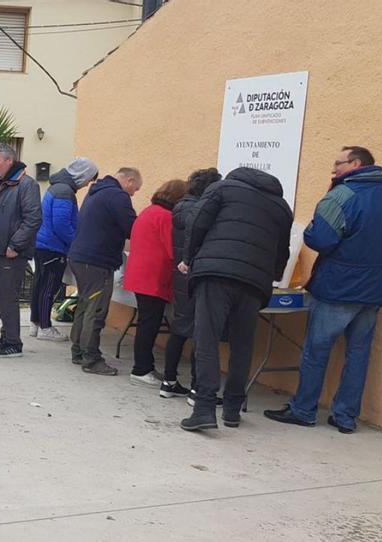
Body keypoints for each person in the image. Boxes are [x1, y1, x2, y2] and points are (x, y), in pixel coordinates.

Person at [264, 147, 382, 434]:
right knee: (358, 353)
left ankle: (304, 410)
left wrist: (309, 230)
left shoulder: (343, 195)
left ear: (356, 164)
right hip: (374, 290)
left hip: (338, 286)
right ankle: (346, 417)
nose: (333, 170)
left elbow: (321, 239)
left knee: (317, 350)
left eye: (338, 164)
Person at [178, 167, 292, 432]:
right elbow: (282, 250)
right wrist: (270, 275)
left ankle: (204, 408)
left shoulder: (222, 188)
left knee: (207, 339)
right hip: (254, 282)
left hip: (216, 273)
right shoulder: (281, 206)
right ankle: (232, 409)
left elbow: (197, 222)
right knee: (243, 345)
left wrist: (188, 257)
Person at [67, 168, 142, 375]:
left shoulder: (97, 192)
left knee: (85, 305)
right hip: (97, 261)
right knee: (96, 310)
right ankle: (91, 359)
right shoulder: (118, 196)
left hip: (81, 258)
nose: (133, 194)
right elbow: (132, 227)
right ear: (129, 180)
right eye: (135, 189)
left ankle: (79, 351)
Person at [165, 168, 222, 405]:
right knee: (202, 332)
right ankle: (197, 389)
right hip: (196, 274)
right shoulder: (200, 211)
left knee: (179, 328)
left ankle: (168, 381)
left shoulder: (181, 207)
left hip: (181, 276)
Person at [124, 179, 188, 387]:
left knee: (146, 322)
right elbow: (173, 250)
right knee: (149, 325)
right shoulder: (167, 217)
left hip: (139, 275)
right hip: (153, 278)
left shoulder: (149, 211)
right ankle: (141, 368)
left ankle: (145, 366)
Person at [0, 143, 41, 358]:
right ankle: (6, 335)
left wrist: (15, 245)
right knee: (2, 295)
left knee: (8, 297)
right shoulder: (4, 184)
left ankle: (13, 343)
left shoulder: (26, 185)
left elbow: (33, 219)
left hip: (11, 252)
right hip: (0, 250)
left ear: (9, 160)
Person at [31, 158, 98, 342]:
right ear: (82, 175)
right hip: (53, 247)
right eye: (88, 179)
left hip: (43, 244)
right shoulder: (65, 192)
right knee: (49, 287)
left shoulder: (58, 187)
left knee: (39, 284)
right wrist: (76, 242)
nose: (87, 184)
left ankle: (35, 323)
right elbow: (61, 225)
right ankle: (45, 327)